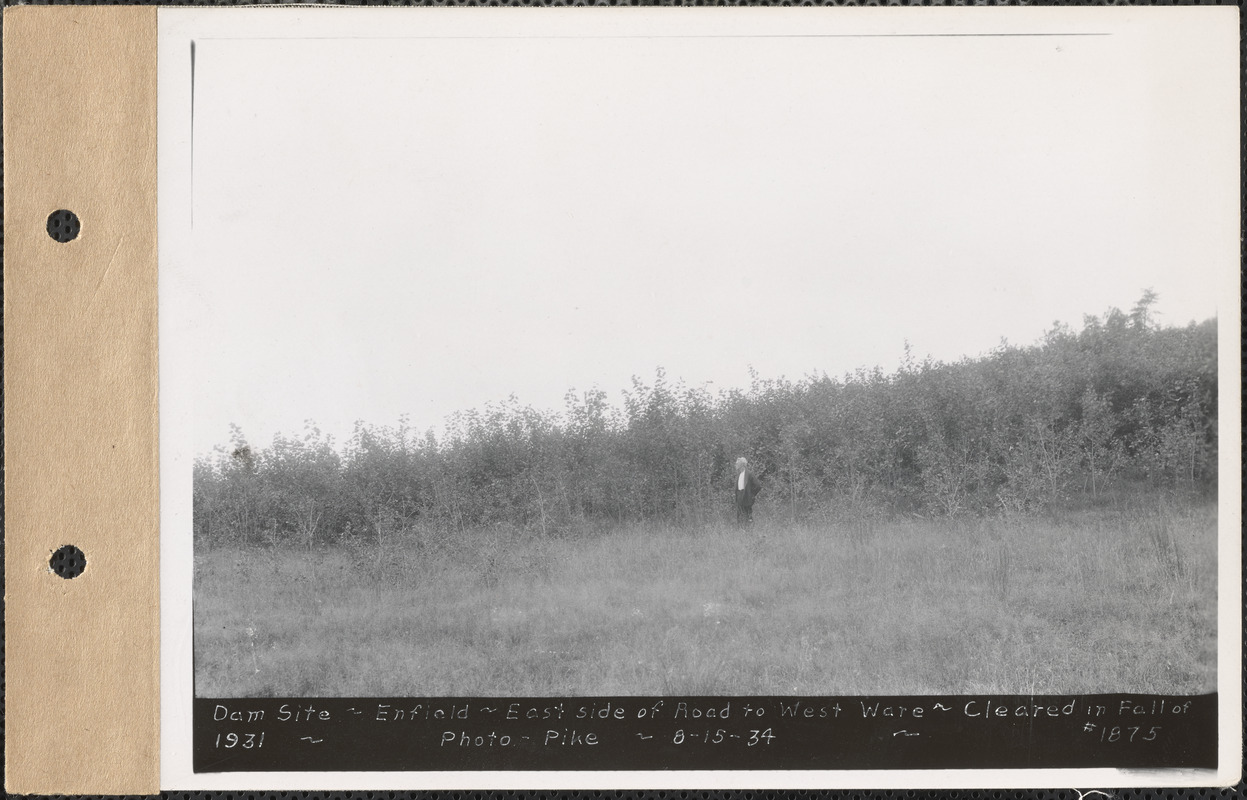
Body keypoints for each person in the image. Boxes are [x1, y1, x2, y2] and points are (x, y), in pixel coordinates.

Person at [734, 457, 762, 525]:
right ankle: (741, 532)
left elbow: (758, 486)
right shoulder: (739, 475)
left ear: (742, 465)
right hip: (739, 497)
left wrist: (751, 495)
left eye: (737, 464)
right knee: (739, 516)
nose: (735, 465)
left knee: (748, 516)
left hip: (747, 497)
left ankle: (750, 532)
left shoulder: (749, 474)